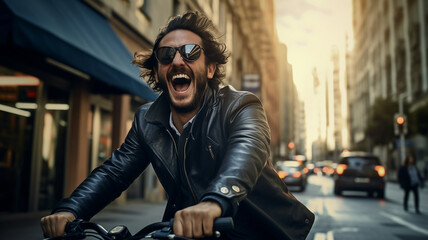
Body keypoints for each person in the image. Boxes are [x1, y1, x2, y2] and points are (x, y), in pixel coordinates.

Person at [41, 11, 314, 239]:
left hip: (263, 232)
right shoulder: (146, 120)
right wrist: (71, 210)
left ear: (209, 69)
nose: (178, 60)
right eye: (166, 55)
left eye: (191, 52)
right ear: (158, 72)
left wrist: (214, 202)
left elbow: (247, 151)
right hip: (189, 232)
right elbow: (114, 173)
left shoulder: (239, 106)